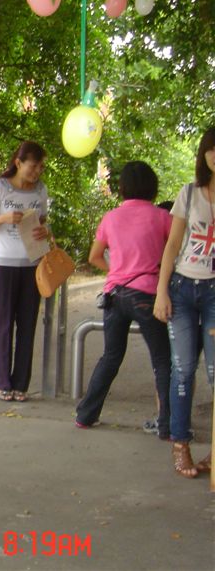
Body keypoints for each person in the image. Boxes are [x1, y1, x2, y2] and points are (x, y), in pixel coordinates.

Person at [75, 162, 171, 437]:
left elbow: (94, 257)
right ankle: (167, 424)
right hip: (148, 296)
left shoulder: (111, 218)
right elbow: (172, 253)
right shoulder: (162, 217)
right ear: (153, 187)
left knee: (111, 356)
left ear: (122, 188)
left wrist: (117, 272)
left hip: (115, 295)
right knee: (162, 361)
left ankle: (86, 415)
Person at [153, 128, 215, 478]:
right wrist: (161, 291)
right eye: (211, 148)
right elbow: (173, 246)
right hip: (182, 288)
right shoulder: (189, 193)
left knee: (214, 372)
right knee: (184, 369)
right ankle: (181, 445)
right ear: (204, 154)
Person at [0, 141, 50, 402]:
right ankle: (2, 382)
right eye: (33, 166)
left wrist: (45, 231)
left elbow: (43, 222)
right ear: (19, 163)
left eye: (41, 167)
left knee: (27, 325)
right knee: (4, 325)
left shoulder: (40, 190)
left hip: (32, 264)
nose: (37, 172)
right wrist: (4, 218)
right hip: (4, 264)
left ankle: (21, 383)